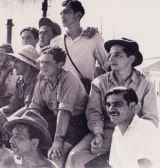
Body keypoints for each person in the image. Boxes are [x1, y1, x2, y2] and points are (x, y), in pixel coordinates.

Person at [66, 37, 159, 168]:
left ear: (131, 59)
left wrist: (135, 137)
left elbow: (151, 118)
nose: (110, 59)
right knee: (74, 157)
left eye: (117, 55)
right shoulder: (99, 82)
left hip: (134, 133)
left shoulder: (145, 84)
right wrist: (98, 134)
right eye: (109, 55)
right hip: (106, 131)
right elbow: (94, 112)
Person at [29, 47, 88, 168]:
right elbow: (34, 107)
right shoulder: (42, 80)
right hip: (57, 121)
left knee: (56, 154)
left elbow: (64, 112)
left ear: (60, 64)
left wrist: (58, 141)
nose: (43, 66)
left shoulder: (69, 79)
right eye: (42, 62)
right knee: (30, 147)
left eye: (48, 63)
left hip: (78, 122)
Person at [49, 0, 109, 82]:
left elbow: (107, 64)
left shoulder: (94, 38)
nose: (62, 16)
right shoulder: (55, 42)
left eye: (66, 12)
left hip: (83, 91)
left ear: (78, 15)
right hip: (60, 91)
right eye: (61, 13)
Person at [105, 87, 160, 168]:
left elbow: (146, 165)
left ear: (132, 106)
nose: (110, 109)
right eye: (108, 104)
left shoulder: (146, 129)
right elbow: (115, 165)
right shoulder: (117, 132)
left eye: (117, 104)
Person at [1, 45, 39, 117]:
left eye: (17, 62)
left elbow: (28, 108)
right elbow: (14, 104)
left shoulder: (37, 81)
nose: (13, 65)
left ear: (27, 64)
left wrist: (9, 120)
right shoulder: (20, 81)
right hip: (26, 114)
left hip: (37, 117)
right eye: (14, 62)